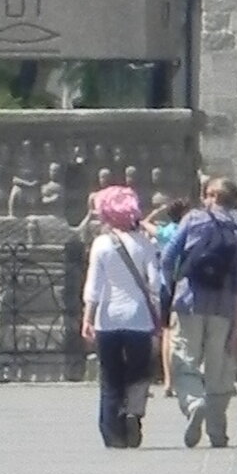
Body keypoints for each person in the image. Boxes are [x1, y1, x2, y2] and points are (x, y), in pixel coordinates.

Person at [168, 177, 237, 449]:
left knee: (184, 357)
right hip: (224, 307)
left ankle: (194, 402)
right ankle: (217, 430)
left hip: (189, 300)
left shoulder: (193, 220)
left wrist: (171, 285)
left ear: (214, 196)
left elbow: (168, 256)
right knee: (219, 367)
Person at [81, 183, 162, 446]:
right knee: (138, 374)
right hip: (139, 319)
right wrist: (158, 317)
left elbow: (94, 286)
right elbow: (155, 284)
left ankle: (111, 431)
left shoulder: (101, 244)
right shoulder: (144, 244)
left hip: (108, 318)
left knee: (111, 377)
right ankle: (133, 414)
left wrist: (88, 318)